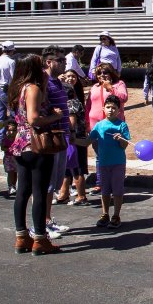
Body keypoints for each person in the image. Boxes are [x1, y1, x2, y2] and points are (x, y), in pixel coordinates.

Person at [8, 54, 66, 256]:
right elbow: (34, 119)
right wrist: (55, 117)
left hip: (21, 143)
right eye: (40, 66)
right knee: (39, 191)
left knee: (22, 191)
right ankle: (40, 238)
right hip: (36, 144)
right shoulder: (32, 88)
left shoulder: (19, 87)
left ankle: (21, 236)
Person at [41, 46, 73, 238]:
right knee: (48, 184)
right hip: (51, 138)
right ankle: (44, 222)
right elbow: (40, 111)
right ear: (49, 62)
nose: (64, 63)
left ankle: (48, 220)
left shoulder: (58, 82)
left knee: (56, 181)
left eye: (64, 60)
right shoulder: (44, 83)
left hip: (63, 136)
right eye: (60, 60)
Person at [90, 95, 132, 229]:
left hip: (118, 163)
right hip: (103, 163)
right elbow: (87, 141)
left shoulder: (122, 125)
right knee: (105, 190)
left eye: (114, 108)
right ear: (103, 108)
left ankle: (116, 215)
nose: (110, 110)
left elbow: (124, 145)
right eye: (108, 107)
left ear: (118, 111)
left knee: (117, 190)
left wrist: (120, 139)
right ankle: (105, 214)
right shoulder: (99, 125)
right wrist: (72, 140)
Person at [60, 70, 91, 206]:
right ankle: (64, 194)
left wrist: (70, 135)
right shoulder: (73, 101)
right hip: (69, 138)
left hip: (75, 139)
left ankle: (81, 196)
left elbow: (72, 120)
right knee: (66, 168)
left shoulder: (71, 103)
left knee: (77, 168)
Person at [86, 63, 127, 131]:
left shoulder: (119, 84)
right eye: (99, 73)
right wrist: (87, 122)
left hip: (114, 123)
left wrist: (110, 88)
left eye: (105, 73)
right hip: (95, 124)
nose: (102, 75)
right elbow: (88, 106)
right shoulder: (94, 87)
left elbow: (124, 98)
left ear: (111, 73)